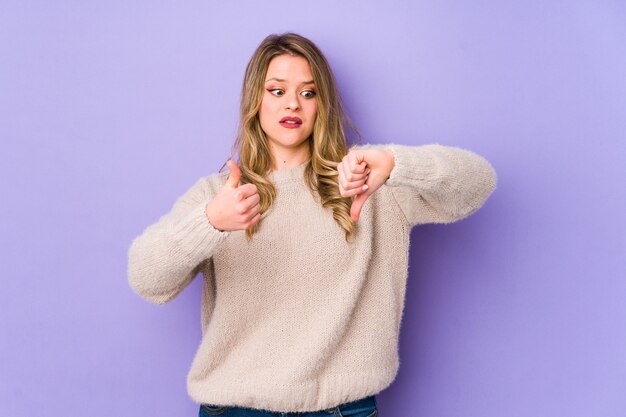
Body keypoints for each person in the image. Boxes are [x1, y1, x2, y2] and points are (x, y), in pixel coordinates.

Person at [127, 32, 497, 417]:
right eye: (276, 90)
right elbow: (146, 278)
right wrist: (210, 222)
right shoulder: (220, 194)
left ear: (323, 104)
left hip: (339, 409)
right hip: (236, 409)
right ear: (255, 99)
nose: (293, 104)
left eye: (308, 92)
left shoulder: (366, 180)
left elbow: (478, 182)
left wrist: (395, 163)